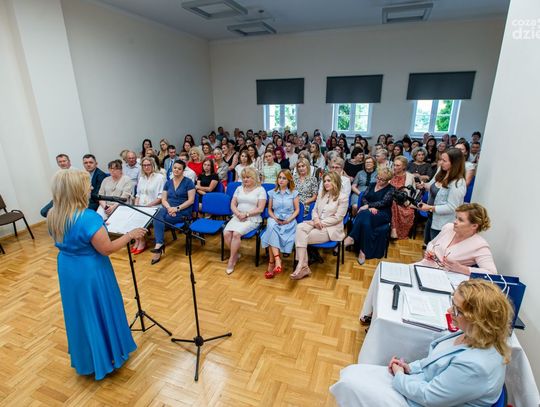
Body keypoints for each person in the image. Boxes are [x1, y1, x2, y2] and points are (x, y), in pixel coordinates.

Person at [331, 279, 512, 407]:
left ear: (478, 320)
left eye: (457, 310)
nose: (450, 311)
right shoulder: (472, 334)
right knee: (351, 374)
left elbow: (428, 397)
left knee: (350, 384)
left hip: (422, 399)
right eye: (452, 304)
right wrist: (409, 368)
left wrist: (400, 375)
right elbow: (434, 361)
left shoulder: (476, 367)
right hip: (420, 382)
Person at [47, 169, 146, 380]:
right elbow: (106, 249)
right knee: (99, 308)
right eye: (87, 185)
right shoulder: (88, 217)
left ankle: (89, 358)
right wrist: (130, 235)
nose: (91, 187)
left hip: (68, 268)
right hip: (90, 271)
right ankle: (108, 356)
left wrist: (98, 232)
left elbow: (73, 237)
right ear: (76, 190)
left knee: (80, 313)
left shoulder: (53, 214)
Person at [291, 172, 348, 280]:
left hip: (331, 229)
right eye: (324, 181)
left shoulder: (343, 197)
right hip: (317, 223)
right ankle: (304, 265)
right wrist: (316, 219)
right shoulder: (322, 195)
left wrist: (318, 223)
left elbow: (338, 218)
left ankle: (301, 265)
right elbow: (314, 210)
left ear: (336, 182)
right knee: (299, 227)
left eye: (329, 180)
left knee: (300, 237)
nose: (326, 183)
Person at [417, 203, 497, 274]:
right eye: (456, 217)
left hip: (445, 277)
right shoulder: (448, 227)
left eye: (460, 220)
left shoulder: (480, 245)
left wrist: (462, 269)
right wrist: (430, 251)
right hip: (424, 266)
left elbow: (491, 272)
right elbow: (432, 243)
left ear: (474, 226)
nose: (455, 221)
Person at [344, 168, 395, 264]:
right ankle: (362, 252)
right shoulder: (372, 185)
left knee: (364, 213)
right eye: (378, 178)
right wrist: (369, 207)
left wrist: (368, 206)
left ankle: (351, 238)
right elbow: (363, 197)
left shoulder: (391, 189)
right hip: (368, 211)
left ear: (388, 180)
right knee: (366, 220)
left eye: (382, 180)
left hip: (382, 213)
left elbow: (384, 202)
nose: (378, 180)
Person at [417, 148, 467, 244]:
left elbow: (452, 207)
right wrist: (424, 185)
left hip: (443, 223)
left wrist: (430, 207)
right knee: (428, 244)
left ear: (454, 163)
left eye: (444, 161)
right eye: (441, 160)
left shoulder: (458, 183)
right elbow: (432, 186)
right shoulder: (441, 171)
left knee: (436, 248)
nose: (440, 163)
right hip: (431, 217)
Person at [150, 160, 195, 265]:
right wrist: (170, 208)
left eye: (179, 169)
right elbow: (163, 199)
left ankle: (159, 246)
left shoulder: (188, 182)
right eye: (175, 168)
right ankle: (159, 244)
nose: (176, 170)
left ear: (183, 171)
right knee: (157, 214)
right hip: (168, 209)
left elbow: (191, 201)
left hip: (183, 210)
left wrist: (177, 209)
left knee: (159, 219)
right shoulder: (168, 182)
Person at [223, 167, 267, 274]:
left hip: (252, 218)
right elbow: (233, 204)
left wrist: (246, 214)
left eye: (248, 177)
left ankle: (231, 260)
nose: (245, 179)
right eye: (243, 177)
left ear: (254, 178)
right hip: (237, 216)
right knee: (226, 233)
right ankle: (235, 254)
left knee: (236, 234)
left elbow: (260, 209)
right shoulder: (239, 188)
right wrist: (238, 214)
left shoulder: (260, 190)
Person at [261, 170, 300, 279]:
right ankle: (277, 259)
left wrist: (288, 220)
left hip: (289, 220)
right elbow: (269, 210)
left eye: (284, 178)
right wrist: (275, 218)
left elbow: (297, 210)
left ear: (288, 180)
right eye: (279, 177)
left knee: (270, 232)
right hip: (275, 218)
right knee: (271, 225)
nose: (281, 180)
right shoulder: (272, 193)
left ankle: (272, 262)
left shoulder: (294, 193)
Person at [132, 157, 165, 254]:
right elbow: (138, 195)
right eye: (144, 165)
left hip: (155, 206)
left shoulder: (160, 177)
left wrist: (146, 207)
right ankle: (138, 240)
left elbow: (160, 198)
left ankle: (142, 241)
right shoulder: (141, 178)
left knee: (139, 216)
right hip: (141, 206)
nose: (146, 167)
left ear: (153, 165)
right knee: (132, 214)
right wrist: (136, 206)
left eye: (148, 165)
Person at [389, 156, 415, 240]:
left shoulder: (410, 176)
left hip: (404, 201)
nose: (395, 167)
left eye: (398, 165)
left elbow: (412, 192)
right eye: (394, 165)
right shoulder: (390, 174)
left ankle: (394, 230)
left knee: (397, 205)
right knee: (393, 203)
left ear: (404, 166)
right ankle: (394, 230)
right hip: (389, 200)